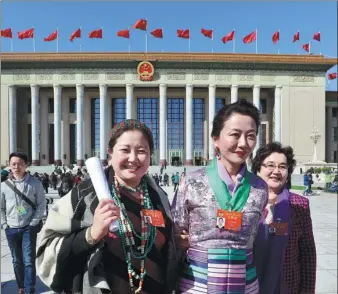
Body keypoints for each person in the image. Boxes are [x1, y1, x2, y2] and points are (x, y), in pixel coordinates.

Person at [36, 119, 179, 294]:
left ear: (150, 156)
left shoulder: (159, 197)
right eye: (125, 150)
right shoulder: (84, 197)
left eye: (142, 151)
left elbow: (165, 251)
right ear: (110, 153)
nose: (133, 158)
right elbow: (47, 250)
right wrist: (91, 234)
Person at [171, 100, 268, 293]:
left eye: (251, 136)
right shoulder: (191, 182)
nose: (243, 143)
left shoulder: (260, 188)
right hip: (197, 285)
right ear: (216, 138)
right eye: (235, 135)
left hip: (246, 285)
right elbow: (176, 233)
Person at [252, 142, 316, 294]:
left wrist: (307, 291)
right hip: (250, 285)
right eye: (270, 165)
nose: (276, 171)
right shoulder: (246, 202)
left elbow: (308, 253)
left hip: (288, 286)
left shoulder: (300, 204)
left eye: (282, 166)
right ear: (258, 169)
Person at [1, 152, 46, 294]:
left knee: (28, 260)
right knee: (16, 260)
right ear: (9, 165)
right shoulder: (3, 186)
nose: (16, 166)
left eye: (20, 163)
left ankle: (29, 288)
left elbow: (41, 204)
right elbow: (0, 207)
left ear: (26, 165)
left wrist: (33, 223)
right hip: (11, 228)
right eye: (13, 163)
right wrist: (4, 224)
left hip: (28, 227)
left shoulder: (35, 183)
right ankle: (20, 286)